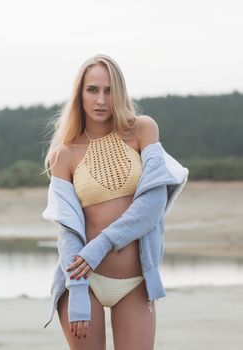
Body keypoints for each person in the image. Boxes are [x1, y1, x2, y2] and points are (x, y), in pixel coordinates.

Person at [40, 54, 188, 349]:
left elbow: (153, 201)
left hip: (135, 282)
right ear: (79, 94)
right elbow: (68, 230)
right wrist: (78, 291)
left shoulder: (142, 131)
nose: (101, 100)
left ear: (119, 93)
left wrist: (99, 246)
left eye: (109, 90)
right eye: (92, 90)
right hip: (83, 282)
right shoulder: (64, 155)